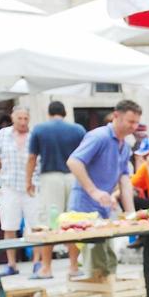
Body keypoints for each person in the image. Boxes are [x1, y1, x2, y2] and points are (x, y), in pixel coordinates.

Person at [67, 99, 140, 278]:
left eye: (137, 122)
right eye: (131, 121)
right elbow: (74, 161)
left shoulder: (125, 146)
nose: (134, 126)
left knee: (109, 257)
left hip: (104, 209)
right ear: (116, 116)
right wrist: (93, 191)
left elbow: (124, 179)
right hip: (85, 207)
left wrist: (131, 213)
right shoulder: (99, 136)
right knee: (96, 259)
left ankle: (109, 296)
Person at [26, 101, 87, 279]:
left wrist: (28, 181)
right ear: (65, 113)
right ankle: (74, 266)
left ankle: (46, 267)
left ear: (49, 113)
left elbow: (31, 158)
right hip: (73, 176)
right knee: (74, 221)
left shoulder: (39, 129)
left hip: (50, 176)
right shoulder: (78, 130)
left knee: (49, 223)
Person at [0, 106, 39, 277]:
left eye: (26, 118)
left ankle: (37, 261)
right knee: (9, 225)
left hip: (32, 185)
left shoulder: (34, 135)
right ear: (13, 118)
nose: (23, 122)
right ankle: (12, 263)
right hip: (9, 184)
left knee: (35, 225)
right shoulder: (3, 135)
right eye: (20, 118)